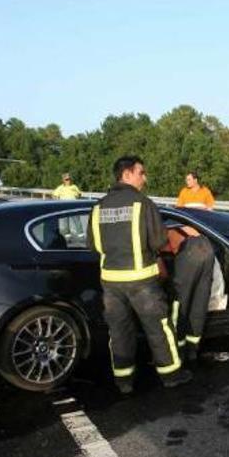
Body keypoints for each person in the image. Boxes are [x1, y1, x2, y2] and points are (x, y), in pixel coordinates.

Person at [87, 156, 191, 393]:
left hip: (111, 282)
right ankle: (171, 375)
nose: (145, 177)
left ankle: (124, 381)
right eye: (141, 173)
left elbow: (93, 246)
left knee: (119, 331)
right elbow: (159, 240)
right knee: (158, 328)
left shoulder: (98, 207)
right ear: (127, 174)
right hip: (142, 280)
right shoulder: (143, 204)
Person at [164, 225, 215, 363]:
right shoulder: (177, 222)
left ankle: (177, 351)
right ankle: (192, 349)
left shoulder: (157, 230)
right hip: (206, 248)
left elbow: (160, 269)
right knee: (199, 301)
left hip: (189, 250)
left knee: (178, 303)